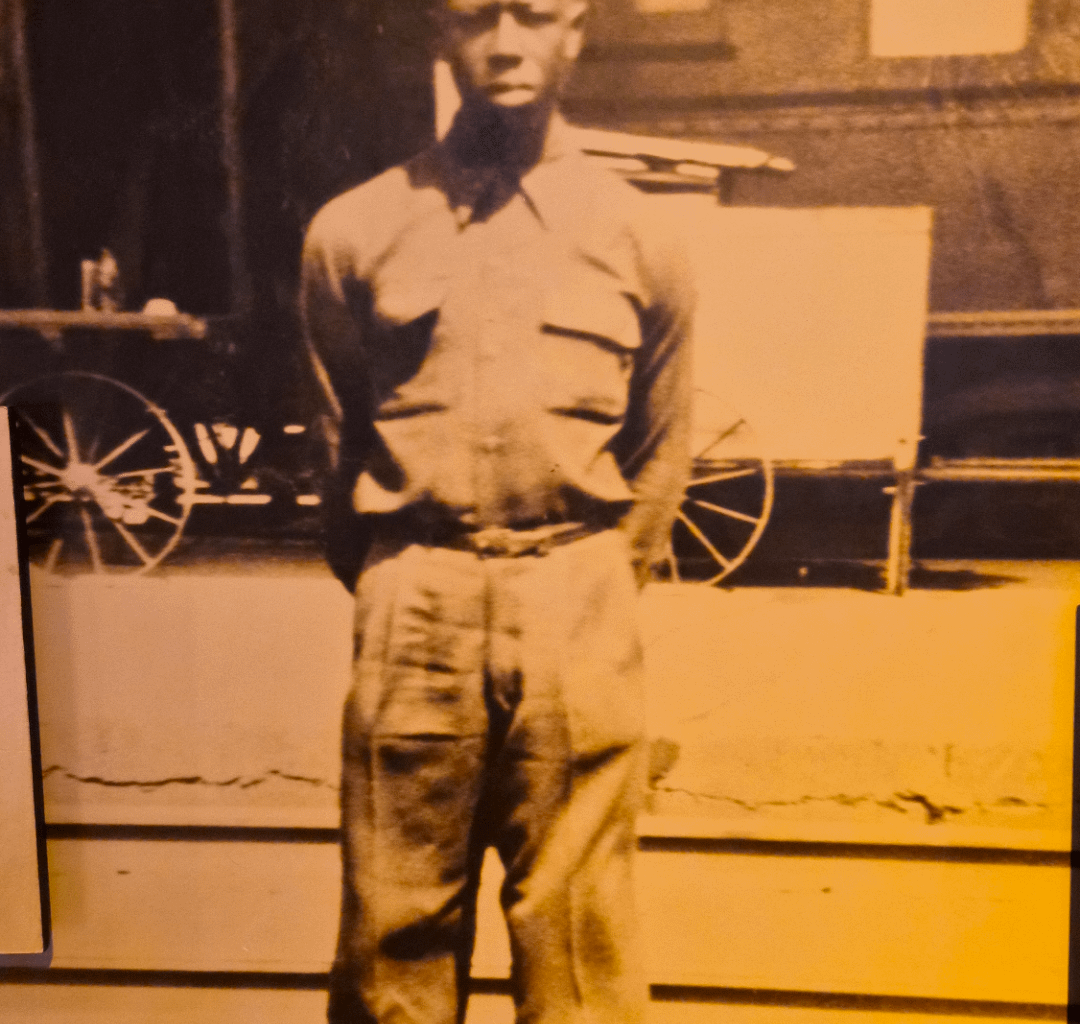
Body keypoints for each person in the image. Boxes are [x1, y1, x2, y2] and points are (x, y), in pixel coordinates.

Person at [300, 2, 694, 1021]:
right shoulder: (356, 228)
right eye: (478, 15)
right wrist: (406, 577)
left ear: (580, 32)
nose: (508, 42)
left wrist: (587, 579)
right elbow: (338, 442)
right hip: (415, 595)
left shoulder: (643, 231)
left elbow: (661, 447)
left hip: (578, 589)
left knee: (578, 947)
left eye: (539, 12)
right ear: (442, 34)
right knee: (393, 940)